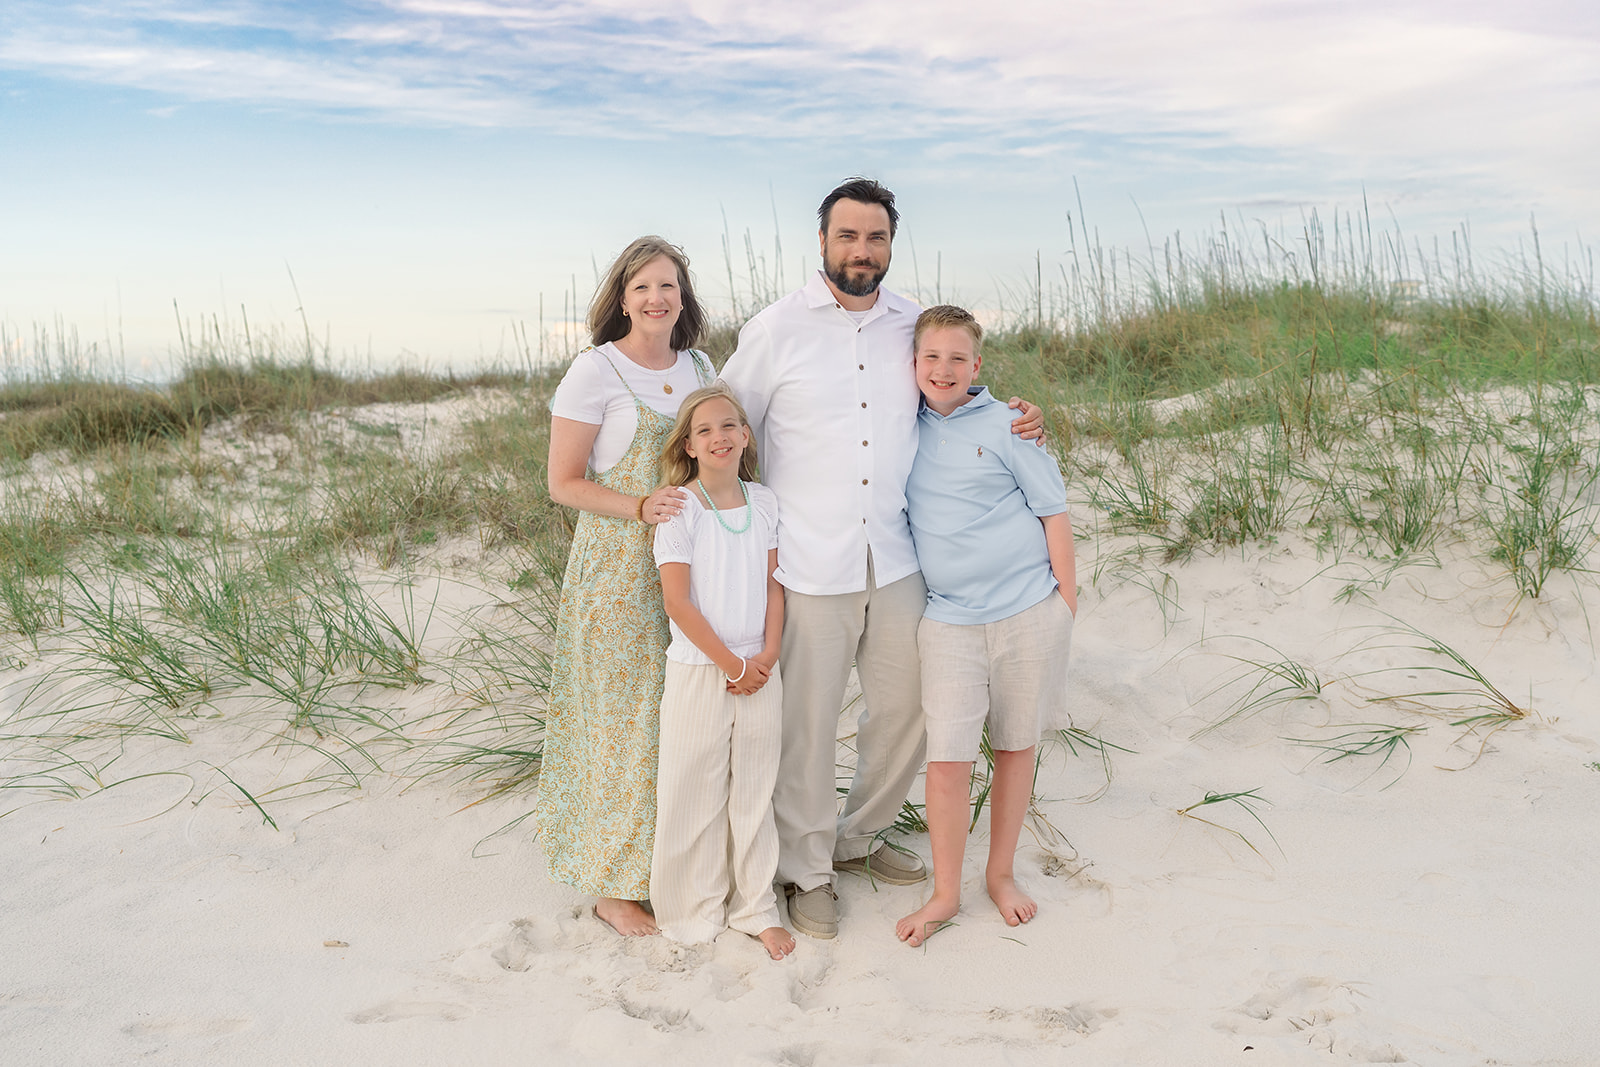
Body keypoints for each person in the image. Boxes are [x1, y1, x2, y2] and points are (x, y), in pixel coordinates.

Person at [720, 178, 1044, 940]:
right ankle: (807, 869)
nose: (861, 251)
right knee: (807, 723)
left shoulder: (909, 322)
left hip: (897, 556)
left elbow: (953, 382)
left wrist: (1020, 413)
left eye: (875, 238)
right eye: (847, 236)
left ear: (891, 244)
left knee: (906, 711)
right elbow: (729, 427)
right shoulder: (776, 329)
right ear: (823, 241)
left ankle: (859, 836)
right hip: (807, 560)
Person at [538, 236, 715, 937]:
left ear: (683, 296)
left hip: (694, 561)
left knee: (680, 717)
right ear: (620, 296)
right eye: (642, 286)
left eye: (668, 285)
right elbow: (562, 482)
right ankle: (614, 883)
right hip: (616, 569)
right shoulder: (594, 371)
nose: (656, 298)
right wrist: (639, 506)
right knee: (622, 722)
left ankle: (672, 863)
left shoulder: (701, 365)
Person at [894, 305, 1077, 947]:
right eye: (929, 357)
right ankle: (946, 892)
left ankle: (1000, 874)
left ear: (977, 366)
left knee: (1014, 745)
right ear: (912, 363)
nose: (942, 369)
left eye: (956, 358)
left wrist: (1066, 605)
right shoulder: (898, 426)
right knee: (947, 759)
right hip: (947, 618)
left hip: (1028, 610)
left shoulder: (1008, 425)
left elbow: (1053, 511)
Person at [648, 384, 795, 961]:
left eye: (730, 425)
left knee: (755, 788)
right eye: (705, 430)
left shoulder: (764, 502)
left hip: (760, 665)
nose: (719, 437)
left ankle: (756, 907)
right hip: (699, 667)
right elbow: (678, 603)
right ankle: (690, 909)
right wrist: (731, 664)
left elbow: (772, 586)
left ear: (745, 435)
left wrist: (767, 655)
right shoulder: (678, 507)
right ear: (688, 444)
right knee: (693, 786)